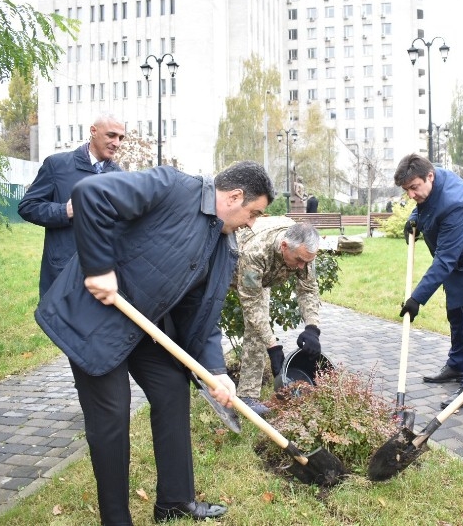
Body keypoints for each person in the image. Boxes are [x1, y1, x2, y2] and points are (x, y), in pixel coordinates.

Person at [34, 161, 274, 524]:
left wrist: (216, 371)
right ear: (235, 196)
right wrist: (99, 269)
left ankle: (174, 502)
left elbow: (203, 314)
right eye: (253, 212)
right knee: (112, 417)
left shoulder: (223, 245)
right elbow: (90, 194)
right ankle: (116, 520)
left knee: (172, 390)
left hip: (145, 325)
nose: (252, 222)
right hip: (95, 317)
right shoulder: (172, 186)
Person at [394, 154, 463, 409]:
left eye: (414, 188)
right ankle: (457, 365)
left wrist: (416, 299)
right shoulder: (434, 176)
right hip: (460, 260)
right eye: (406, 190)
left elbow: (445, 260)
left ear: (429, 177)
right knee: (456, 315)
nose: (411, 194)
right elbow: (424, 205)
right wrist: (414, 218)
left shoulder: (455, 204)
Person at [18, 112, 126, 298]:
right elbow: (28, 206)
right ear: (93, 131)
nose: (117, 143)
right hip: (63, 270)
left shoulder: (120, 177)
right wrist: (64, 211)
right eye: (111, 135)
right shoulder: (57, 165)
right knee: (59, 326)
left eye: (121, 138)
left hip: (103, 275)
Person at [233, 217, 322, 415]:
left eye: (306, 261)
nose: (302, 266)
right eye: (298, 260)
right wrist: (273, 347)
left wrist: (312, 328)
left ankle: (247, 397)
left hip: (261, 280)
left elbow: (308, 289)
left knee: (257, 330)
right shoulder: (256, 252)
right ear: (283, 246)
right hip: (231, 270)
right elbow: (251, 302)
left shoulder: (303, 251)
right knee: (255, 325)